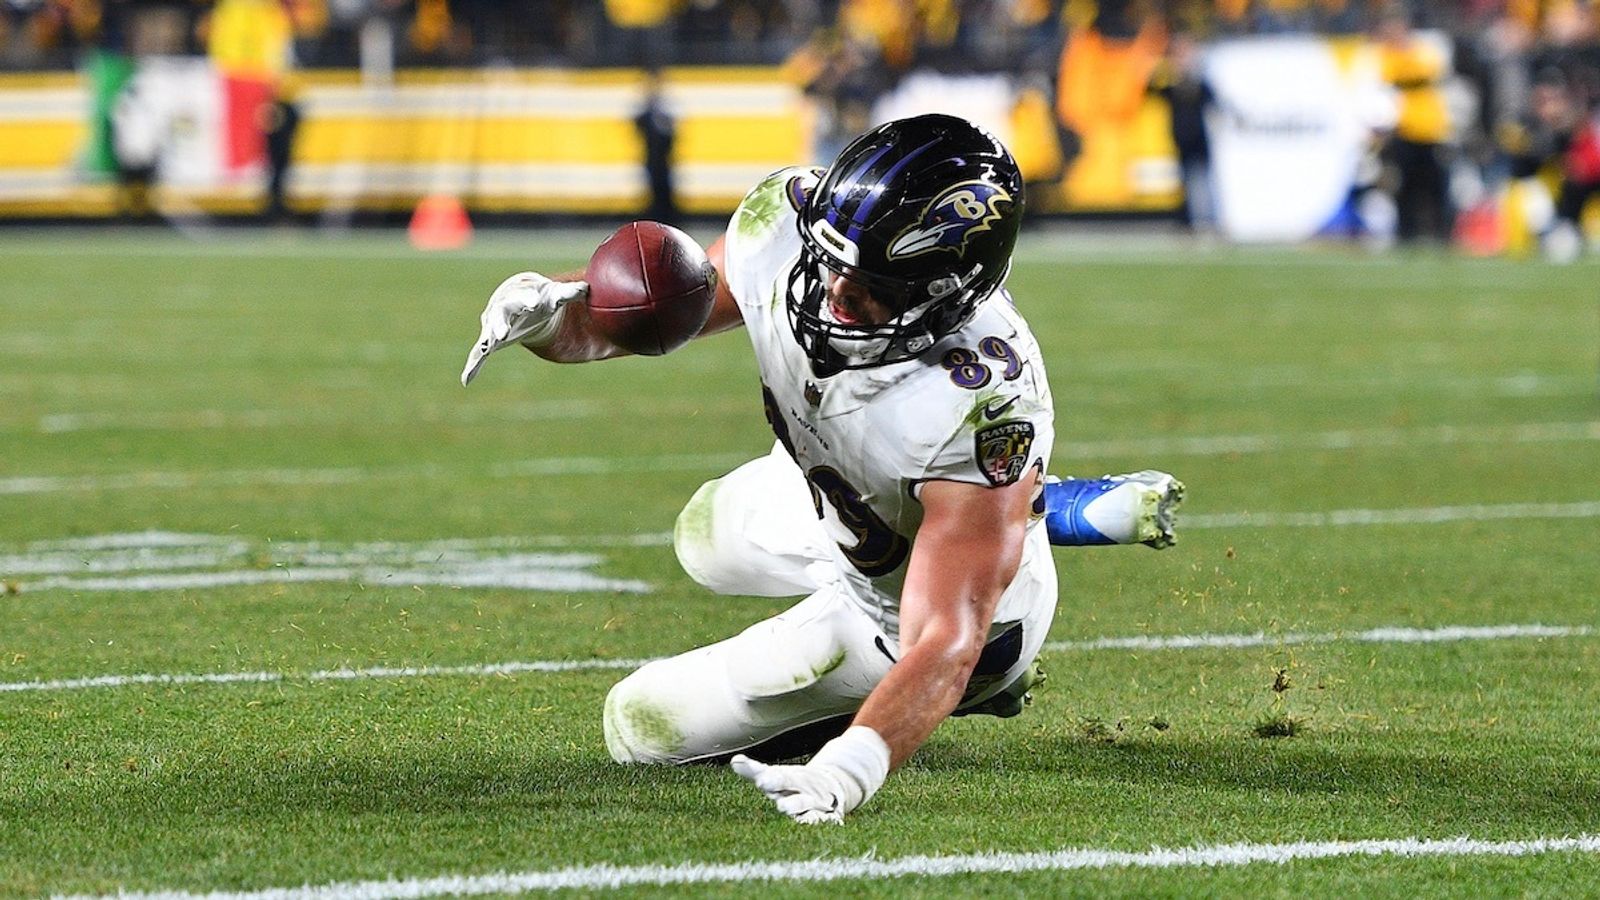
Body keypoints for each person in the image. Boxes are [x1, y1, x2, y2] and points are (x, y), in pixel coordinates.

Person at [461, 115, 1182, 824]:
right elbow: (655, 314)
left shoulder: (980, 404)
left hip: (916, 620)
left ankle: (999, 630)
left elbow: (945, 640)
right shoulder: (784, 224)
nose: (833, 291)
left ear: (946, 293)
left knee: (638, 725)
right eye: (831, 259)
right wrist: (550, 315)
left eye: (870, 286)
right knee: (704, 536)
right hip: (847, 503)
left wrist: (853, 766)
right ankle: (1038, 507)